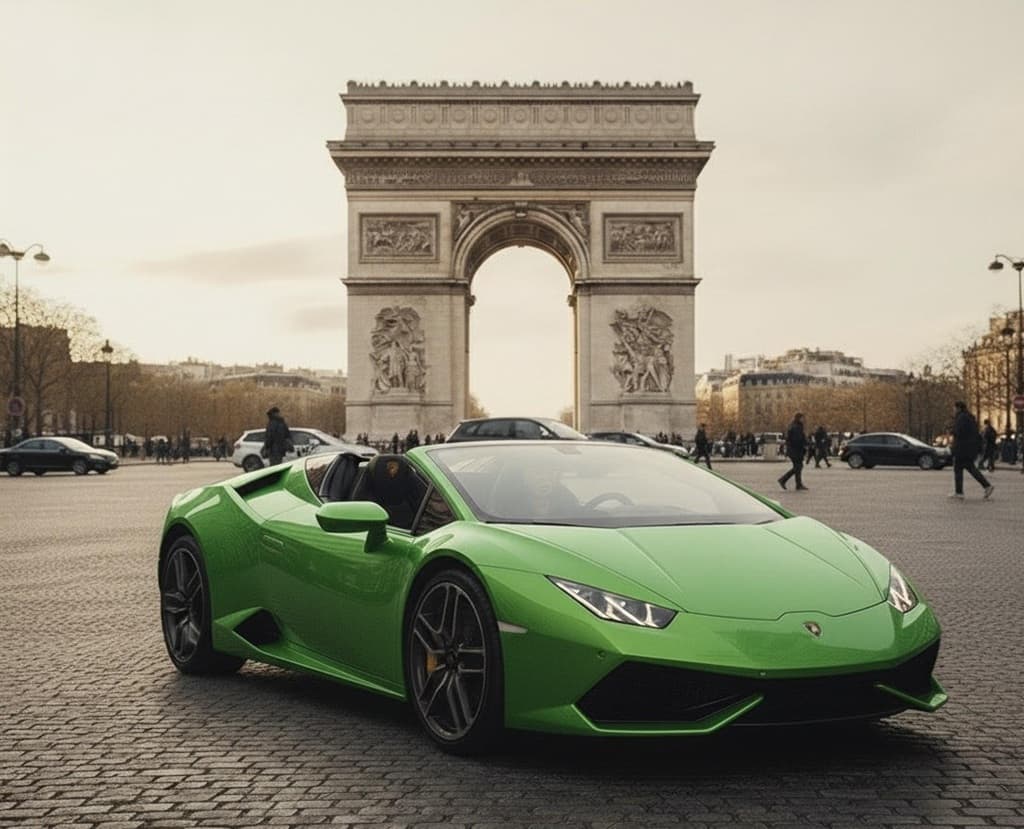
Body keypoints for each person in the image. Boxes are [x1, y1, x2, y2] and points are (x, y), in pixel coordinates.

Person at [950, 401, 993, 499]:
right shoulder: (969, 417)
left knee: (961, 468)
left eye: (954, 408)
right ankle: (985, 486)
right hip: (969, 448)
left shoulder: (962, 418)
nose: (953, 410)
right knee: (966, 468)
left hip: (962, 448)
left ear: (958, 408)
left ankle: (960, 492)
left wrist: (952, 431)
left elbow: (960, 432)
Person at [778, 412, 809, 491]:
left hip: (793, 450)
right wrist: (805, 444)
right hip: (796, 450)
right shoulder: (797, 427)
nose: (804, 419)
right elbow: (797, 439)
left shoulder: (794, 425)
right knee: (798, 467)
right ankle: (783, 480)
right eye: (802, 418)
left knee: (798, 467)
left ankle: (798, 484)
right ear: (799, 418)